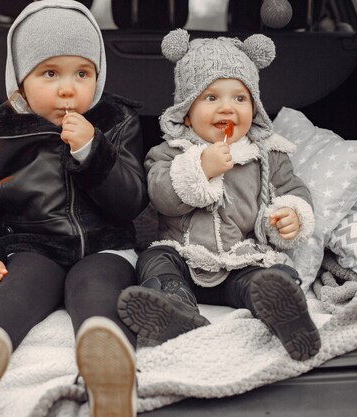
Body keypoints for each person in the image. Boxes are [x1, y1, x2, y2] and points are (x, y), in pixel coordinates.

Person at [0, 1, 146, 416]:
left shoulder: (117, 121)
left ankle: (107, 369)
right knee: (20, 289)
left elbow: (132, 200)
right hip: (32, 247)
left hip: (103, 246)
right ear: (20, 81)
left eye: (82, 73)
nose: (67, 88)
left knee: (98, 291)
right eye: (49, 73)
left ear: (98, 76)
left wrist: (92, 150)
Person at [117, 29, 321, 361]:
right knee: (153, 261)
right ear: (186, 110)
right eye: (211, 98)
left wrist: (292, 214)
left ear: (254, 107)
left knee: (268, 276)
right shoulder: (169, 151)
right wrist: (200, 169)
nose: (227, 108)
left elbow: (292, 189)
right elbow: (160, 196)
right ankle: (174, 308)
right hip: (182, 255)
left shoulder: (267, 153)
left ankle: (279, 309)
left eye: (239, 99)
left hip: (242, 258)